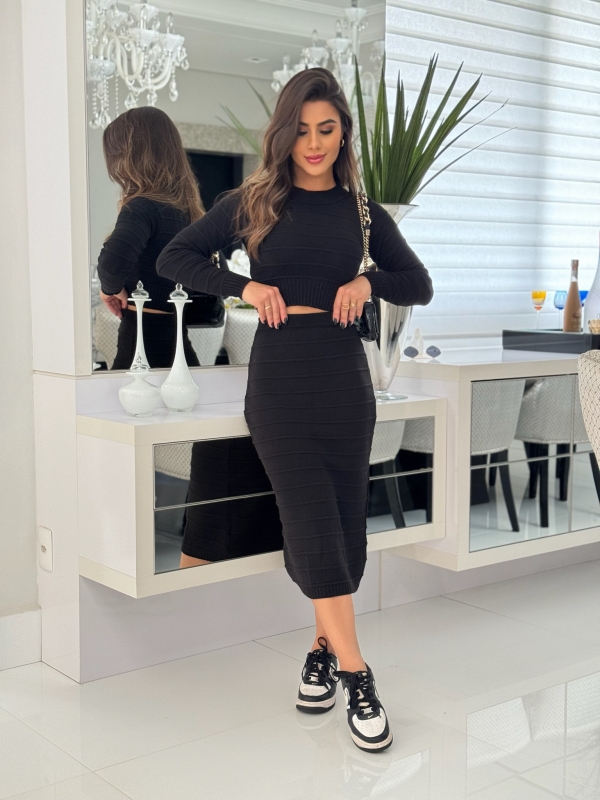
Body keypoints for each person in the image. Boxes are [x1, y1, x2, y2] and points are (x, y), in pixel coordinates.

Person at [157, 68, 433, 753]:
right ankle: (358, 674)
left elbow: (418, 283)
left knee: (342, 525)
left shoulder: (362, 212)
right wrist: (243, 287)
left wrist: (367, 280)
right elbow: (175, 257)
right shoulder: (252, 201)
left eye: (326, 129)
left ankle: (319, 652)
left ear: (343, 133)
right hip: (279, 382)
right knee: (310, 521)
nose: (313, 143)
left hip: (344, 380)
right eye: (302, 130)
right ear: (284, 134)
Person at [96, 106, 205, 370]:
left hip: (141, 346)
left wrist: (110, 290)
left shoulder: (142, 207)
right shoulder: (189, 212)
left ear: (130, 155)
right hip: (179, 346)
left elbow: (112, 263)